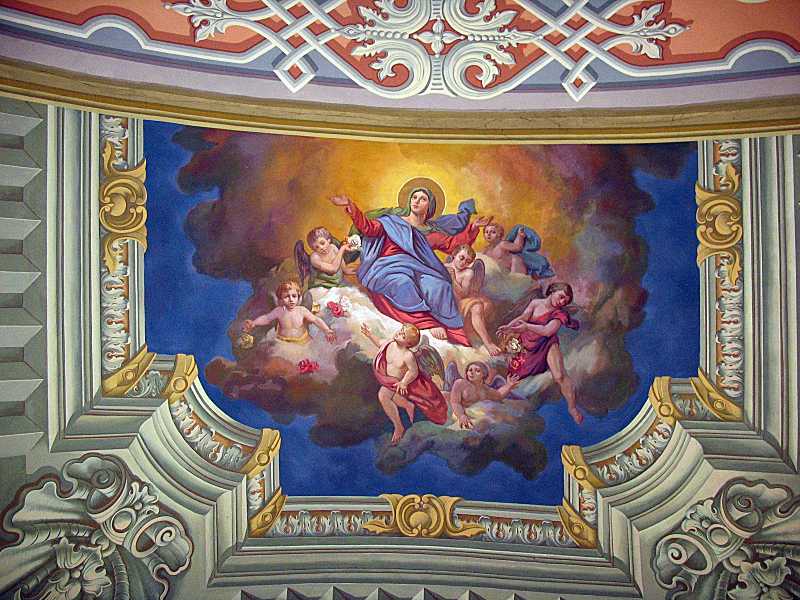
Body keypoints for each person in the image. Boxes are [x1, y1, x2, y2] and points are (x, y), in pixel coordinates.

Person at [329, 184, 491, 345]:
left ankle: (451, 328)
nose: (416, 201)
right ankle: (428, 323)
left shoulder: (430, 232)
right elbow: (368, 228)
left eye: (422, 199)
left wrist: (474, 227)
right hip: (387, 268)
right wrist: (350, 206)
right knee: (403, 283)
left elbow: (453, 245)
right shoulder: (391, 222)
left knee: (439, 285)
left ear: (430, 206)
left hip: (418, 269)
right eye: (414, 197)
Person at [497, 282, 583, 424]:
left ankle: (572, 408)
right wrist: (509, 326)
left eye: (565, 301)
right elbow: (523, 317)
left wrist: (526, 327)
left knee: (560, 376)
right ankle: (507, 405)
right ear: (553, 291)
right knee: (514, 375)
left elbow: (547, 331)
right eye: (561, 297)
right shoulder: (535, 303)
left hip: (547, 343)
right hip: (528, 341)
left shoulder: (559, 314)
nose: (562, 302)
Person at [361, 322, 448, 445]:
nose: (399, 333)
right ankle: (408, 405)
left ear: (408, 344)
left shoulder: (408, 356)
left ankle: (398, 426)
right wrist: (369, 335)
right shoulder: (390, 344)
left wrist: (404, 382)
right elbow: (380, 343)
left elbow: (413, 372)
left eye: (403, 335)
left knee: (383, 396)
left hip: (397, 382)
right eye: (401, 330)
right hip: (387, 380)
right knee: (394, 397)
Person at [446, 244, 501, 355]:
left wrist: (453, 279)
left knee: (477, 307)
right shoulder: (442, 266)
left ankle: (488, 343)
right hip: (445, 301)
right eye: (461, 258)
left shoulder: (468, 273)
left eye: (467, 261)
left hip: (460, 301)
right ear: (454, 255)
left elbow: (463, 294)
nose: (463, 263)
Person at [242, 280, 336, 344]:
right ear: (281, 299)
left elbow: (315, 320)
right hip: (283, 342)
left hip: (303, 342)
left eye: (294, 296)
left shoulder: (301, 310)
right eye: (287, 297)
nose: (291, 299)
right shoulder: (279, 311)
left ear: (298, 297)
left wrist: (327, 330)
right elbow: (266, 318)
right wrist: (254, 323)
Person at [447, 361, 521, 429]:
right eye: (470, 370)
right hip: (459, 413)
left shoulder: (485, 389)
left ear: (483, 374)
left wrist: (509, 385)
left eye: (477, 371)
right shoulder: (460, 383)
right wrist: (461, 416)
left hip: (476, 414)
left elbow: (498, 395)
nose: (472, 373)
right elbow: (455, 402)